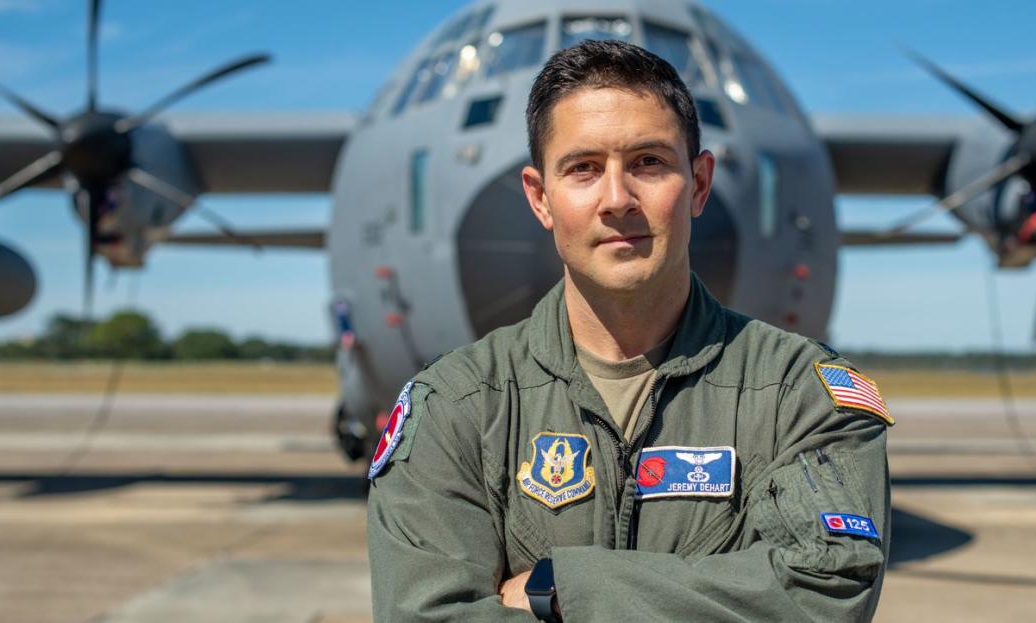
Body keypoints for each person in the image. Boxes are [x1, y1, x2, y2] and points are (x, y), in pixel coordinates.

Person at [367, 39, 893, 622]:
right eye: (583, 169)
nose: (617, 200)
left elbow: (824, 594)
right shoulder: (457, 406)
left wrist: (564, 589)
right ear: (541, 198)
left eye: (649, 162)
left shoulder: (800, 395)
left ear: (697, 184)